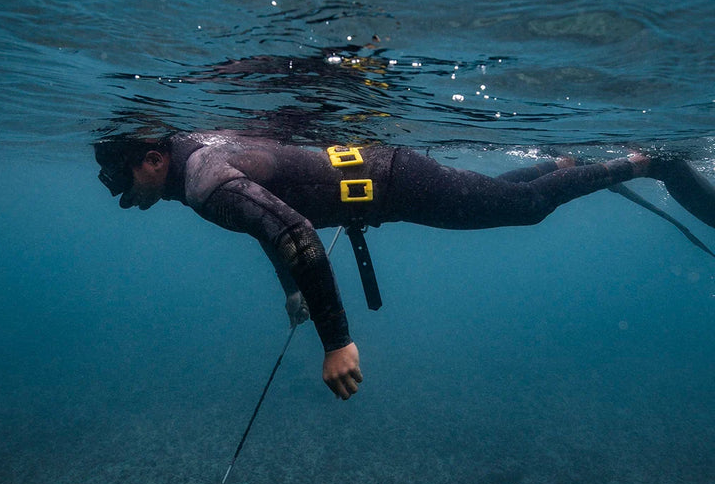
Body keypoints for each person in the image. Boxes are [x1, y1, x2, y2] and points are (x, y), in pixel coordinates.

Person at [94, 131, 715, 400]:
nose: (119, 193)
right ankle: (560, 166)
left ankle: (641, 164)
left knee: (522, 208)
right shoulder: (199, 157)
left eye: (118, 177)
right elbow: (273, 226)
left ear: (152, 158)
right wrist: (293, 292)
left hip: (392, 183)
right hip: (383, 175)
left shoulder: (202, 181)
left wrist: (336, 342)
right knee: (500, 196)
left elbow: (295, 233)